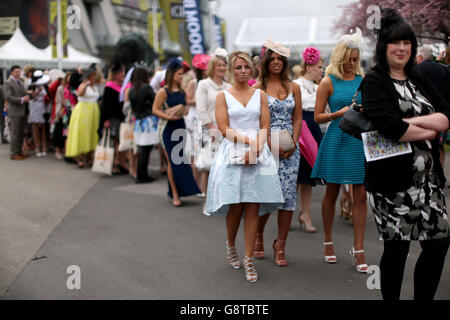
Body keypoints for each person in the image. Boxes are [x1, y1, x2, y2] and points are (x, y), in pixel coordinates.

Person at [360, 9, 450, 300]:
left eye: (407, 43)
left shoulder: (418, 77)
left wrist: (407, 125)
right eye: (394, 43)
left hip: (429, 182)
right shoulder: (374, 81)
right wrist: (425, 128)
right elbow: (389, 129)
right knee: (397, 249)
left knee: (438, 244)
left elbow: (445, 118)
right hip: (393, 183)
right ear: (383, 47)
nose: (401, 48)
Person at [205, 51, 284, 283]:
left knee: (252, 206)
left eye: (246, 67)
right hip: (233, 151)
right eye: (238, 67)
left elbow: (265, 124)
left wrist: (257, 148)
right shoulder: (223, 96)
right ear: (231, 69)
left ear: (252, 70)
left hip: (259, 152)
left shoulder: (260, 94)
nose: (242, 71)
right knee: (236, 207)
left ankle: (248, 258)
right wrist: (249, 143)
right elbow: (223, 128)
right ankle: (231, 246)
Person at [311, 28, 368, 273]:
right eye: (349, 59)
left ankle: (359, 249)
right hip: (336, 139)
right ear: (340, 57)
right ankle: (327, 241)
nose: (352, 64)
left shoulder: (363, 81)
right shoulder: (327, 81)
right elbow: (317, 117)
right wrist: (339, 112)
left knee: (361, 195)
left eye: (356, 59)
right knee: (332, 192)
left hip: (358, 140)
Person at [252, 40, 302, 266]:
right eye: (271, 59)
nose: (276, 62)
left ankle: (280, 244)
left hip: (290, 148)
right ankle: (259, 235)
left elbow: (298, 117)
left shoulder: (294, 87)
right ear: (266, 62)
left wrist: (293, 142)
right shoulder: (257, 89)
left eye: (279, 59)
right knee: (266, 196)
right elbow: (253, 120)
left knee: (288, 198)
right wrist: (270, 142)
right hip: (265, 146)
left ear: (285, 62)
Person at [152, 58, 201, 207]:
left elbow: (186, 107)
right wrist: (169, 116)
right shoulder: (163, 91)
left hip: (180, 126)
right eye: (179, 74)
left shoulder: (182, 91)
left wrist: (183, 110)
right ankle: (174, 193)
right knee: (172, 162)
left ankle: (177, 191)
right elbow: (154, 110)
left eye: (182, 74)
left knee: (180, 160)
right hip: (167, 128)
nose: (181, 76)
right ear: (172, 74)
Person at [293, 46, 325, 233]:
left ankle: (306, 214)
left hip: (314, 128)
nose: (322, 70)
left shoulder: (321, 86)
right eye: (319, 67)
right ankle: (288, 211)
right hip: (300, 127)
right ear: (309, 66)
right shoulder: (295, 84)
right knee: (296, 174)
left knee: (308, 176)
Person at [195, 49, 231, 214]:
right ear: (212, 67)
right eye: (218, 65)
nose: (221, 67)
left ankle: (221, 199)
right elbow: (201, 108)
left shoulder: (228, 87)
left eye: (224, 64)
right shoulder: (204, 84)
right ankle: (207, 200)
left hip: (225, 130)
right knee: (208, 166)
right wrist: (211, 128)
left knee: (224, 166)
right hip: (208, 129)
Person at [65, 64, 100, 168]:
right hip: (83, 111)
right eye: (92, 75)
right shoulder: (83, 84)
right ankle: (80, 157)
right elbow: (79, 94)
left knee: (92, 133)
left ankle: (89, 157)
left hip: (93, 111)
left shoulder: (95, 87)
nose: (94, 77)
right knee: (82, 133)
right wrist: (85, 84)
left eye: (95, 75)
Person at [185, 53, 211, 192]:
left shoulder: (211, 83)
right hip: (195, 119)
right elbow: (187, 101)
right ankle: (197, 185)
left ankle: (205, 186)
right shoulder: (193, 83)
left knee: (206, 152)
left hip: (207, 119)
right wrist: (201, 100)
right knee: (195, 153)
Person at [129, 67, 157, 183]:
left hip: (139, 122)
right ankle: (142, 176)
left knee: (142, 149)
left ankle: (142, 174)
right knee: (146, 149)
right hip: (148, 122)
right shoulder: (146, 88)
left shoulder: (132, 89)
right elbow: (155, 100)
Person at [99, 62, 128, 175]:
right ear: (115, 74)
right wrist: (106, 120)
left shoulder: (122, 86)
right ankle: (111, 165)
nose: (123, 74)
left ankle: (119, 163)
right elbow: (105, 105)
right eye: (120, 73)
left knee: (120, 142)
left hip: (121, 117)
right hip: (112, 118)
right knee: (113, 143)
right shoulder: (109, 86)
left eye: (123, 72)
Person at [3, 65, 31, 160]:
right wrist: (22, 99)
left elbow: (23, 93)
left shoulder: (20, 81)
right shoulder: (8, 83)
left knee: (20, 133)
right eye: (16, 72)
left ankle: (19, 151)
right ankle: (14, 153)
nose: (18, 73)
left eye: (19, 72)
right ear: (11, 72)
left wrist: (28, 95)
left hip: (22, 110)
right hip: (15, 111)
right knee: (15, 133)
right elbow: (8, 97)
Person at [28, 70, 51, 157]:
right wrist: (36, 93)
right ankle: (37, 147)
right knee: (36, 128)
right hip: (34, 106)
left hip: (43, 107)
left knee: (44, 128)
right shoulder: (32, 86)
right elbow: (29, 97)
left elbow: (49, 96)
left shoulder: (45, 86)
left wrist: (47, 99)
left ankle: (43, 146)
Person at [53, 71, 71, 160]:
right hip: (62, 111)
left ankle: (65, 149)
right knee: (59, 130)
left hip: (69, 112)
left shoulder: (72, 88)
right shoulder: (61, 88)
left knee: (66, 132)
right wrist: (59, 111)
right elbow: (59, 100)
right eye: (69, 77)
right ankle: (57, 150)